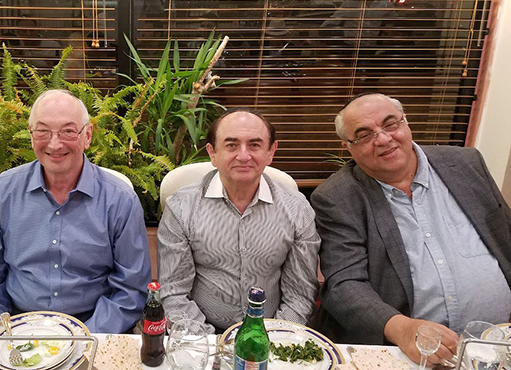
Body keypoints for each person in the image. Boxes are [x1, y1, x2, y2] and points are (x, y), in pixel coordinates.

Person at [311, 93, 511, 364]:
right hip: (409, 355)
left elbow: (504, 236)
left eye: (390, 124)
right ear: (348, 147)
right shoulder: (338, 197)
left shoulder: (466, 164)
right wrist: (401, 328)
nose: (383, 139)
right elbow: (344, 284)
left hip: (497, 344)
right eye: (365, 135)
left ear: (406, 123)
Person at [0, 89, 151, 333]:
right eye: (43, 131)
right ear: (31, 135)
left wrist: (83, 338)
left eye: (68, 131)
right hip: (17, 326)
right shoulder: (2, 192)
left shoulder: (120, 200)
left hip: (95, 328)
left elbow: (131, 290)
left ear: (87, 136)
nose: (54, 144)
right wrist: (2, 330)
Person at [157, 108, 320, 334]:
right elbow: (174, 293)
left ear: (271, 152)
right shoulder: (182, 207)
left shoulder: (297, 209)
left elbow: (300, 295)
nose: (243, 156)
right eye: (231, 145)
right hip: (202, 333)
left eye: (254, 145)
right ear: (212, 153)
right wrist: (206, 343)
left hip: (272, 332)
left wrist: (274, 339)